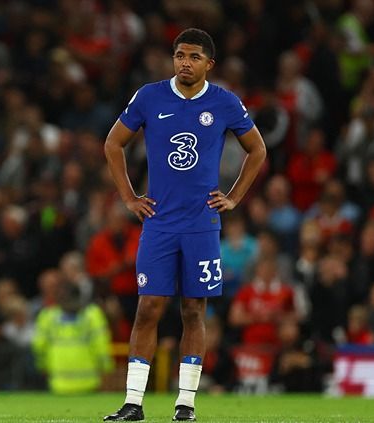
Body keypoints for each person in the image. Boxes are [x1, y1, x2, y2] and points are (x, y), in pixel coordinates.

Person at [102, 28, 266, 421]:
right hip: (159, 224)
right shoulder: (149, 96)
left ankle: (185, 403)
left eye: (193, 57)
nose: (184, 63)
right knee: (148, 308)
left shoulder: (224, 102)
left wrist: (235, 196)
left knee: (194, 310)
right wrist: (128, 197)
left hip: (201, 225)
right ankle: (133, 403)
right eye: (179, 55)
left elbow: (257, 149)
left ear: (209, 64)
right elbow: (113, 143)